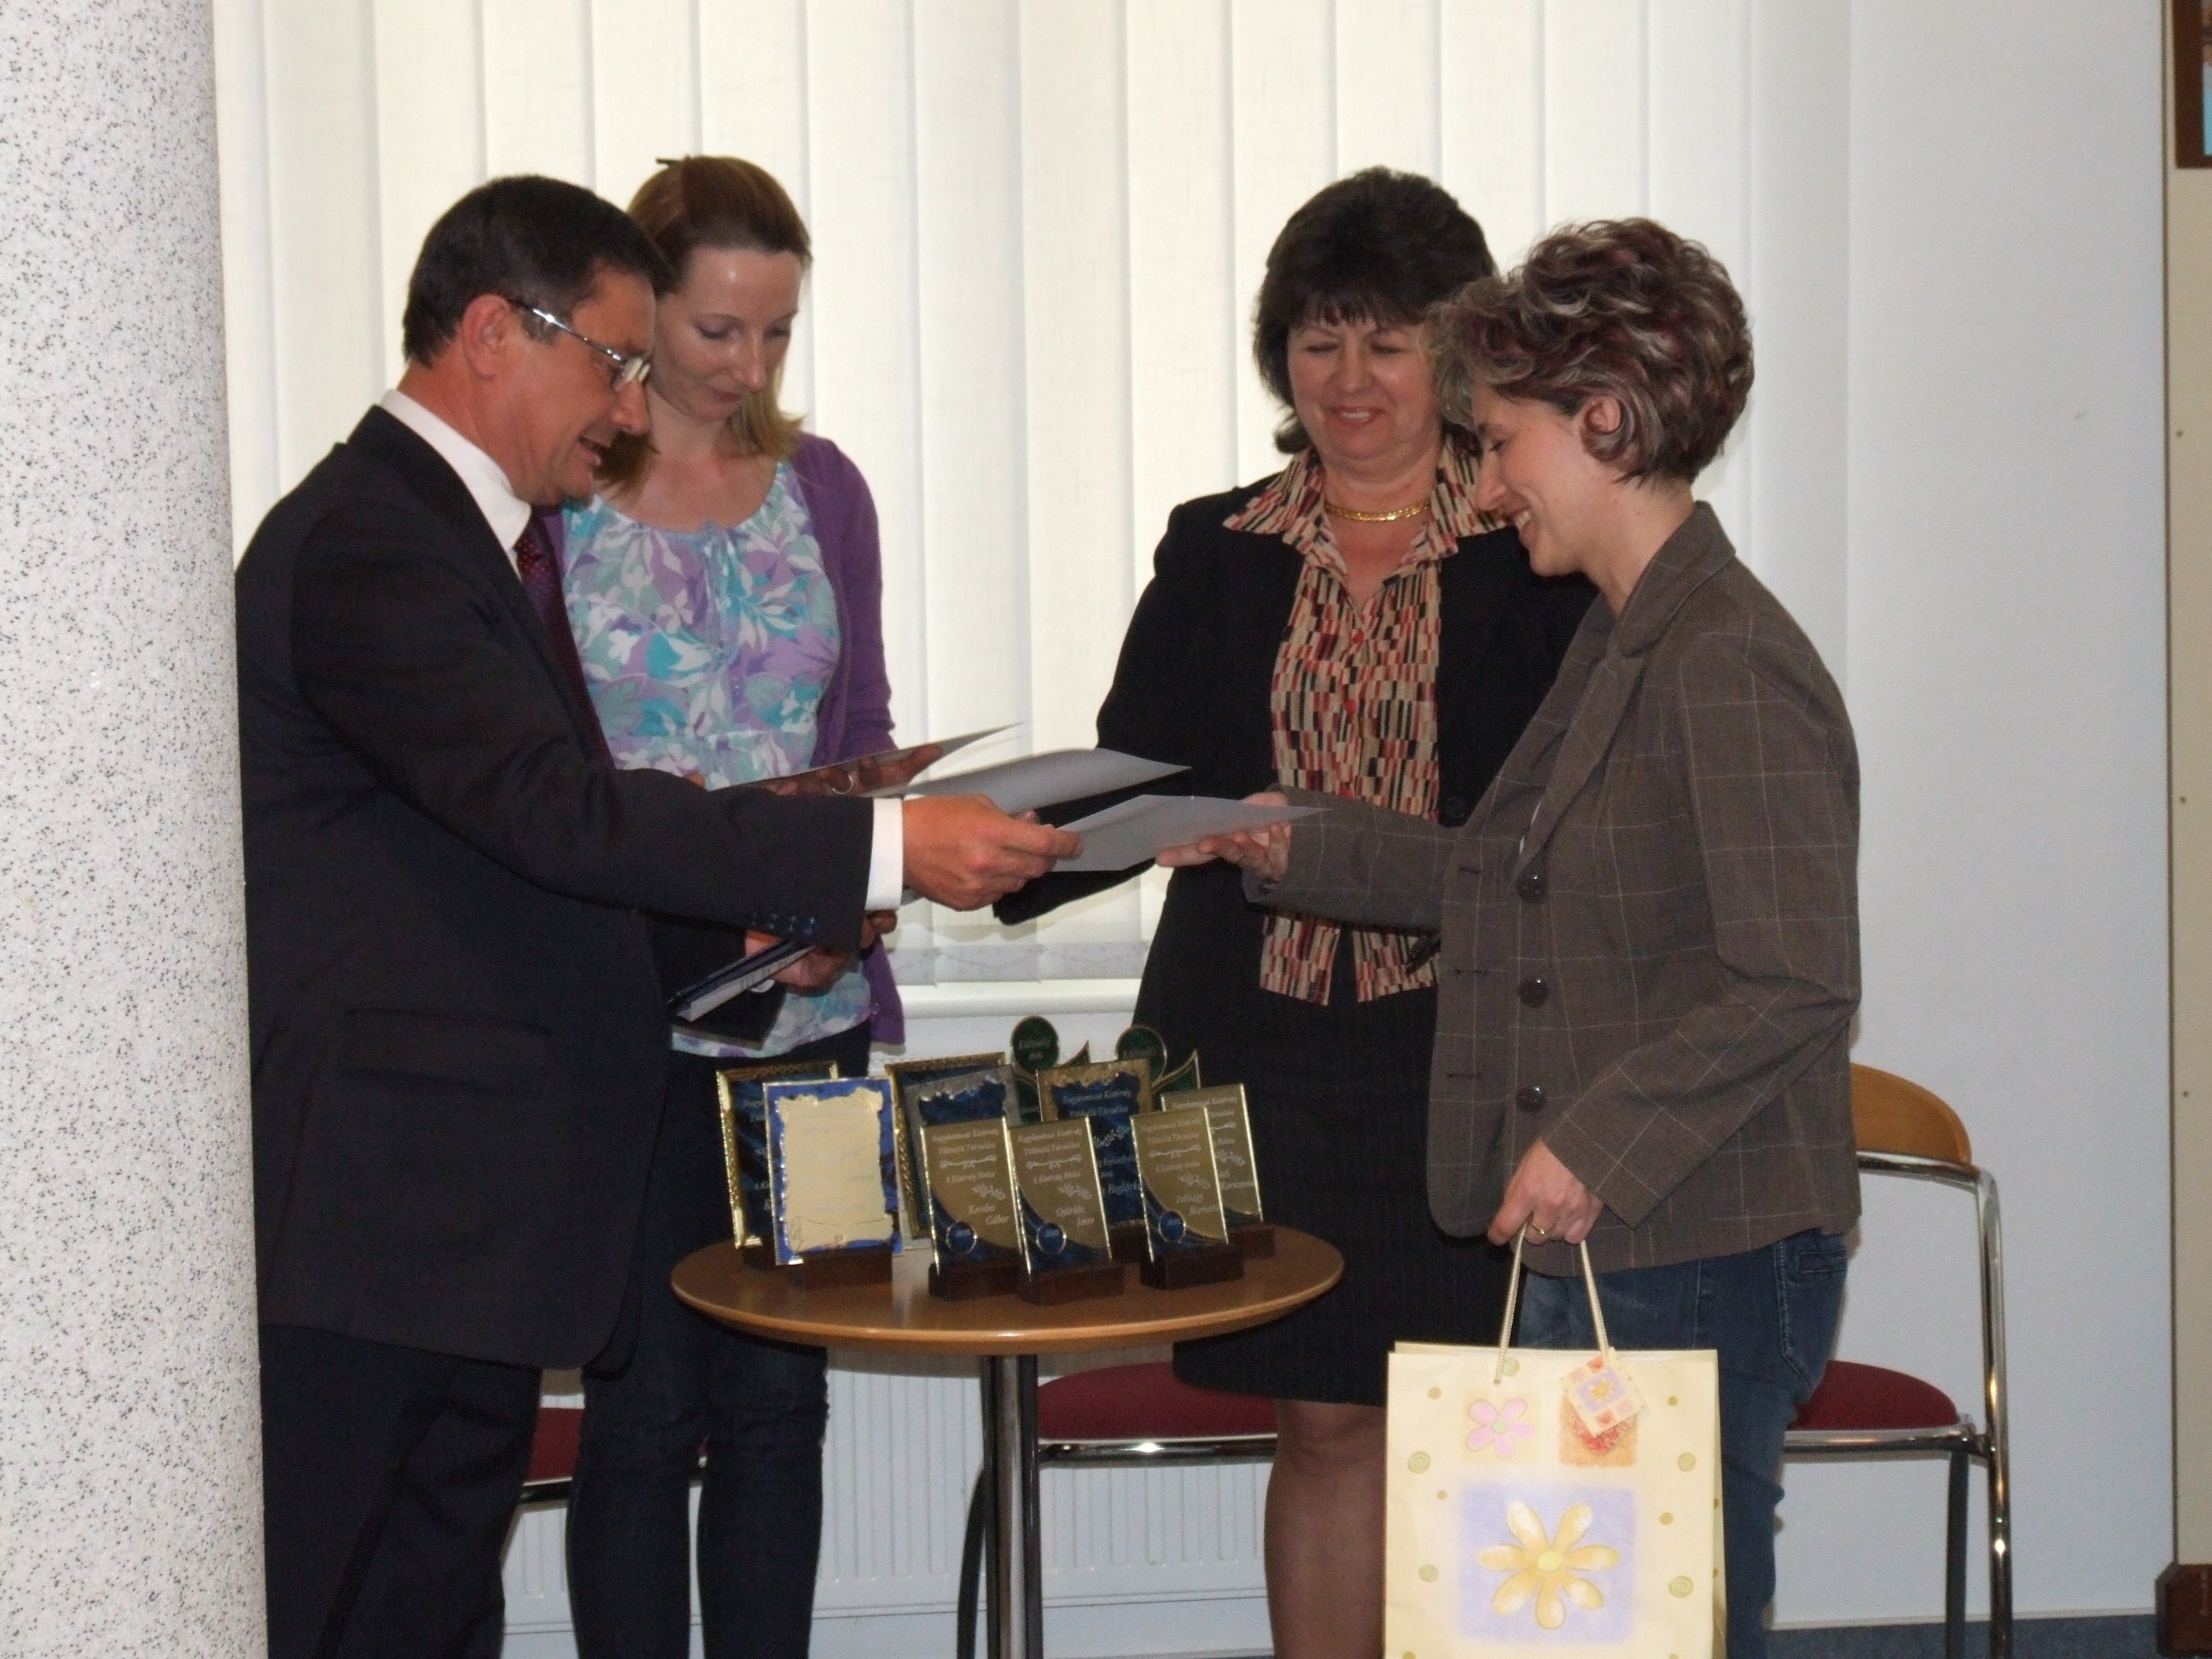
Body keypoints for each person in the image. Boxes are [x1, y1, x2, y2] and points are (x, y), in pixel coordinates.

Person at [235, 174, 1078, 1659]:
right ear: (494, 333)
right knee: (345, 1602)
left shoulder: (458, 531)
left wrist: (737, 945)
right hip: (386, 1214)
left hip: (454, 1208)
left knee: (434, 1600)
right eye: (617, 361)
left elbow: (512, 861)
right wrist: (877, 849)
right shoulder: (375, 540)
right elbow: (553, 812)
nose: (631, 407)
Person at [1174, 218, 1860, 1659]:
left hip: (1698, 1240)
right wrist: (1296, 843)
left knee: (1659, 1634)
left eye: (1500, 443)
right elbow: (1503, 875)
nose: (1484, 485)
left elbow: (1796, 980)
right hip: (1613, 1236)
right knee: (1572, 1636)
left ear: (1603, 422)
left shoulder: (1727, 658)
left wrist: (1591, 1145)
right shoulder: (1621, 635)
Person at [998, 168, 1592, 1659]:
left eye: (1388, 342)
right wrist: (1001, 848)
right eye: (1320, 342)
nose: (1350, 378)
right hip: (1259, 1051)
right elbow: (1134, 770)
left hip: (1463, 1049)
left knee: (1473, 1424)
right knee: (1323, 1422)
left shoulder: (1537, 547)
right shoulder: (1218, 546)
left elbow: (1574, 824)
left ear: (1455, 356)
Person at [549, 155, 902, 1659]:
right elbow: (535, 782)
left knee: (776, 1410)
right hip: (626, 1025)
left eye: (778, 331)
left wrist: (858, 909)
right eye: (716, 330)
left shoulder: (825, 490)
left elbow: (861, 728)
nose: (748, 365)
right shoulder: (561, 499)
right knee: (640, 1415)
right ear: (639, 313)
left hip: (810, 1024)